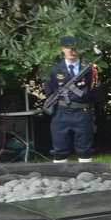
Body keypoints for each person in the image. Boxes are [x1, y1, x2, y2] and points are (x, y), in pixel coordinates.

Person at [42, 36, 98, 164]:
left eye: (74, 48)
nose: (72, 51)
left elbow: (95, 90)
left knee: (85, 149)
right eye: (68, 48)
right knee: (59, 149)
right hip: (61, 112)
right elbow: (49, 90)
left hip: (82, 112)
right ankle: (61, 175)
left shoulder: (89, 69)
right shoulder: (55, 69)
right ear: (62, 49)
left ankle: (86, 174)